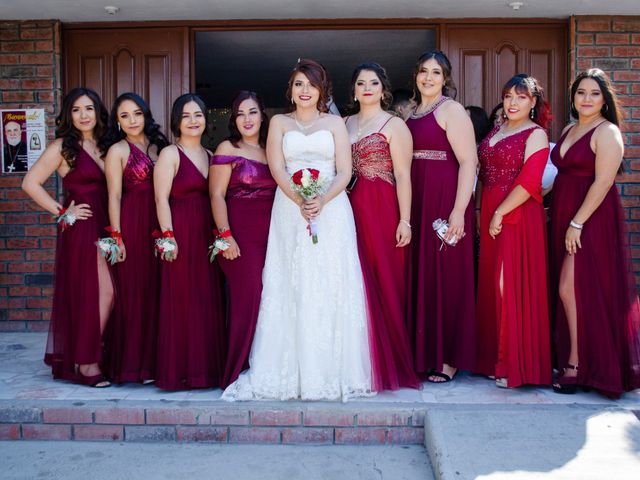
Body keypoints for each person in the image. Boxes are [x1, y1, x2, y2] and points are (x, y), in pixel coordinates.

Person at [222, 59, 374, 401]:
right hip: (289, 209)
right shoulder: (278, 122)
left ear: (322, 89)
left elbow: (345, 171)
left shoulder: (335, 123)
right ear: (290, 90)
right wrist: (299, 199)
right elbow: (276, 166)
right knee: (291, 281)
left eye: (311, 84)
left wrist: (320, 201)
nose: (305, 91)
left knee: (329, 281)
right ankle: (287, 369)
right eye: (298, 84)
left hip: (331, 209)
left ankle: (331, 370)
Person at [550, 68, 640, 398]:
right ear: (573, 97)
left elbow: (603, 182)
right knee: (576, 290)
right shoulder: (570, 128)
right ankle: (579, 358)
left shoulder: (607, 132)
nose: (586, 99)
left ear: (605, 99)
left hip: (591, 219)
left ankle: (577, 363)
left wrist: (577, 223)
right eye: (581, 93)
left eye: (594, 93)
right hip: (563, 214)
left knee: (569, 288)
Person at [22, 87, 113, 387]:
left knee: (107, 294)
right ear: (68, 115)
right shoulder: (63, 147)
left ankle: (89, 354)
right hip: (84, 226)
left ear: (98, 112)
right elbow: (30, 183)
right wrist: (62, 212)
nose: (83, 115)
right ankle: (86, 363)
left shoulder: (107, 144)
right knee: (101, 294)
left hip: (109, 224)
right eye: (76, 110)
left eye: (89, 108)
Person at [345, 62, 420, 391]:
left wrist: (405, 219)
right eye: (361, 83)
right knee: (354, 283)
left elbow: (404, 175)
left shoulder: (395, 125)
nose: (367, 88)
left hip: (382, 208)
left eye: (373, 82)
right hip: (346, 209)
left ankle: (392, 365)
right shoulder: (342, 123)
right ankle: (359, 362)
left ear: (383, 88)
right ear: (354, 89)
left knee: (385, 281)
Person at [475, 74, 552, 388]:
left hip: (517, 212)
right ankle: (493, 358)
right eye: (508, 96)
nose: (513, 102)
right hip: (491, 208)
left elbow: (531, 181)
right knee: (493, 283)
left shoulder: (536, 134)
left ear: (533, 103)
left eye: (521, 97)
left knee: (510, 284)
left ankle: (515, 363)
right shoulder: (497, 129)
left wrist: (500, 212)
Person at [405, 50, 477, 383]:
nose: (429, 78)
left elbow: (468, 163)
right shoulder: (410, 113)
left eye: (436, 72)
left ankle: (448, 358)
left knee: (446, 276)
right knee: (422, 275)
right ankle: (424, 354)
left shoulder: (452, 110)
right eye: (423, 71)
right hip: (417, 199)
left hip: (445, 201)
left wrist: (459, 211)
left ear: (446, 78)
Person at [153, 94, 226, 390]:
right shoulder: (171, 154)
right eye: (186, 116)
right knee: (181, 299)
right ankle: (180, 372)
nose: (193, 121)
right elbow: (160, 198)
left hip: (206, 235)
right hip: (180, 232)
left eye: (198, 115)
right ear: (176, 121)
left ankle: (205, 370)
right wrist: (168, 237)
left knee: (206, 299)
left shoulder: (210, 155)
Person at [209, 91, 277, 388]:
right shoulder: (228, 147)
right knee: (246, 301)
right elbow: (216, 195)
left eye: (252, 112)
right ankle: (234, 371)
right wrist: (225, 236)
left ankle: (262, 367)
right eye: (240, 113)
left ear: (263, 115)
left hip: (273, 236)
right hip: (239, 237)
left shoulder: (272, 149)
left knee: (270, 301)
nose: (247, 119)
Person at [102, 92, 169, 384]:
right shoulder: (117, 150)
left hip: (159, 221)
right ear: (117, 121)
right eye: (124, 115)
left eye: (137, 113)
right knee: (134, 294)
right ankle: (133, 366)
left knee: (157, 292)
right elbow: (114, 195)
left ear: (146, 115)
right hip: (132, 222)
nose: (132, 120)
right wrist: (117, 236)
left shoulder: (159, 147)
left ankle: (154, 363)